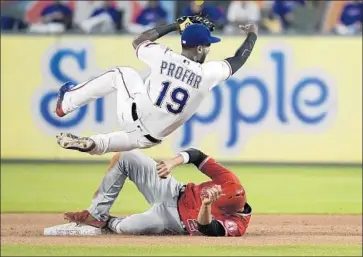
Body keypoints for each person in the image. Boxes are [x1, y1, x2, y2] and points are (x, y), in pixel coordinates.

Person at [55, 16, 258, 155]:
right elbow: (239, 59)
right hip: (149, 139)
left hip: (134, 115)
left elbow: (139, 41)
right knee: (110, 141)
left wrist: (175, 26)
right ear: (198, 48)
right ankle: (93, 144)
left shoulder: (164, 56)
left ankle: (68, 102)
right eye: (207, 45)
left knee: (122, 74)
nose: (208, 49)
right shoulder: (207, 74)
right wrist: (252, 35)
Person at [64, 148, 252, 236]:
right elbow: (198, 155)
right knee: (127, 156)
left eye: (216, 197)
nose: (214, 190)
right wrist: (173, 162)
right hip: (173, 190)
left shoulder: (236, 224)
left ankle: (109, 222)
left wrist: (206, 205)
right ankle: (97, 213)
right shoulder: (228, 179)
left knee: (127, 228)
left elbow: (207, 229)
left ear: (226, 211)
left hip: (172, 221)